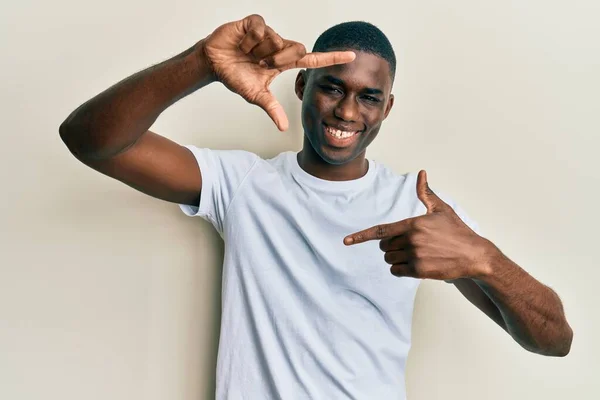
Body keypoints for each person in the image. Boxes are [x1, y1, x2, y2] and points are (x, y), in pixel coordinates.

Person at [59, 14, 573, 400]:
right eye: (333, 88)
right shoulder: (242, 185)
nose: (349, 111)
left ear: (386, 109)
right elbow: (92, 139)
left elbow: (554, 340)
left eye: (369, 97)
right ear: (302, 86)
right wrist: (202, 63)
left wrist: (484, 259)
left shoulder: (418, 207)